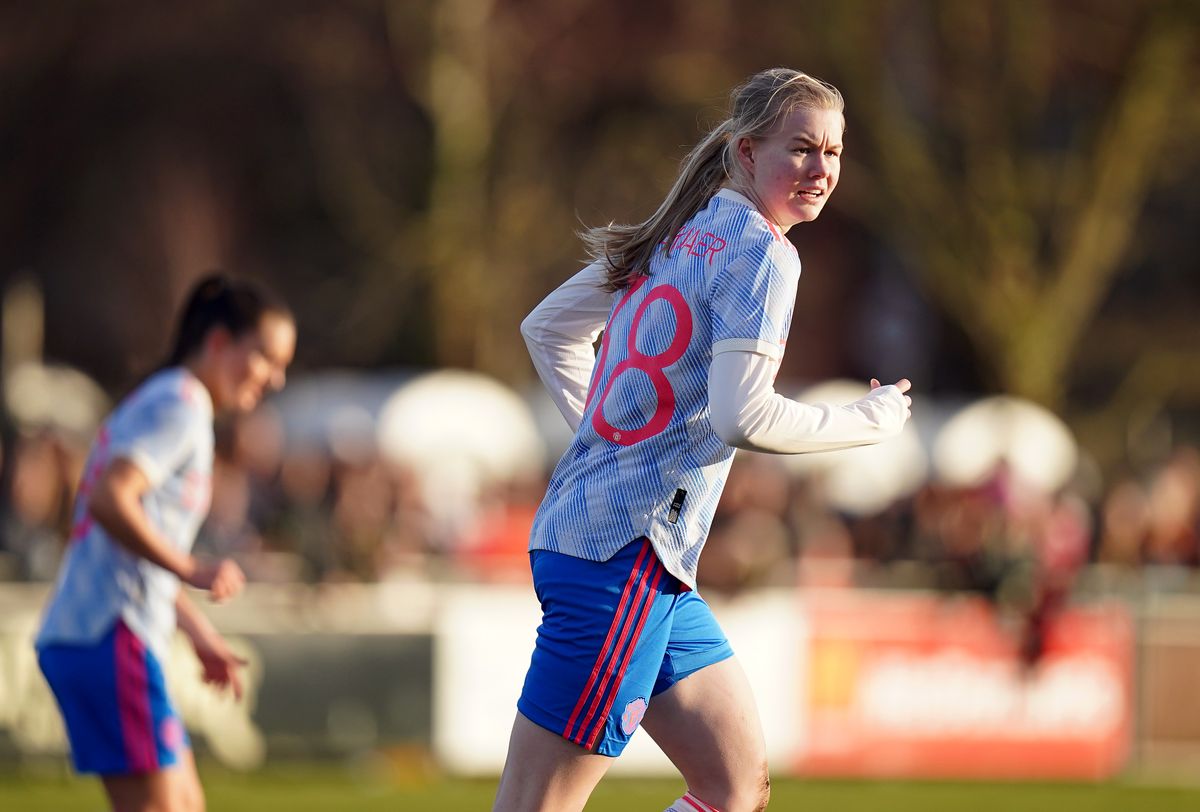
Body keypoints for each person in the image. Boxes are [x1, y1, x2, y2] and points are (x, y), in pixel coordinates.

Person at [498, 68, 913, 812]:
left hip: (621, 554)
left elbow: (547, 330)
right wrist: (865, 424)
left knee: (733, 788)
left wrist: (613, 437)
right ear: (747, 154)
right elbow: (741, 416)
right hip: (623, 558)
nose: (821, 169)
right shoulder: (762, 252)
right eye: (802, 149)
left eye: (834, 152)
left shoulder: (677, 231)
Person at [35, 274, 296, 812]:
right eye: (267, 357)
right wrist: (191, 567)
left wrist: (197, 630)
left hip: (103, 634)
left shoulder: (167, 399)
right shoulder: (181, 404)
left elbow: (128, 540)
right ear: (220, 341)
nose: (275, 380)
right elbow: (112, 500)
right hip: (108, 634)